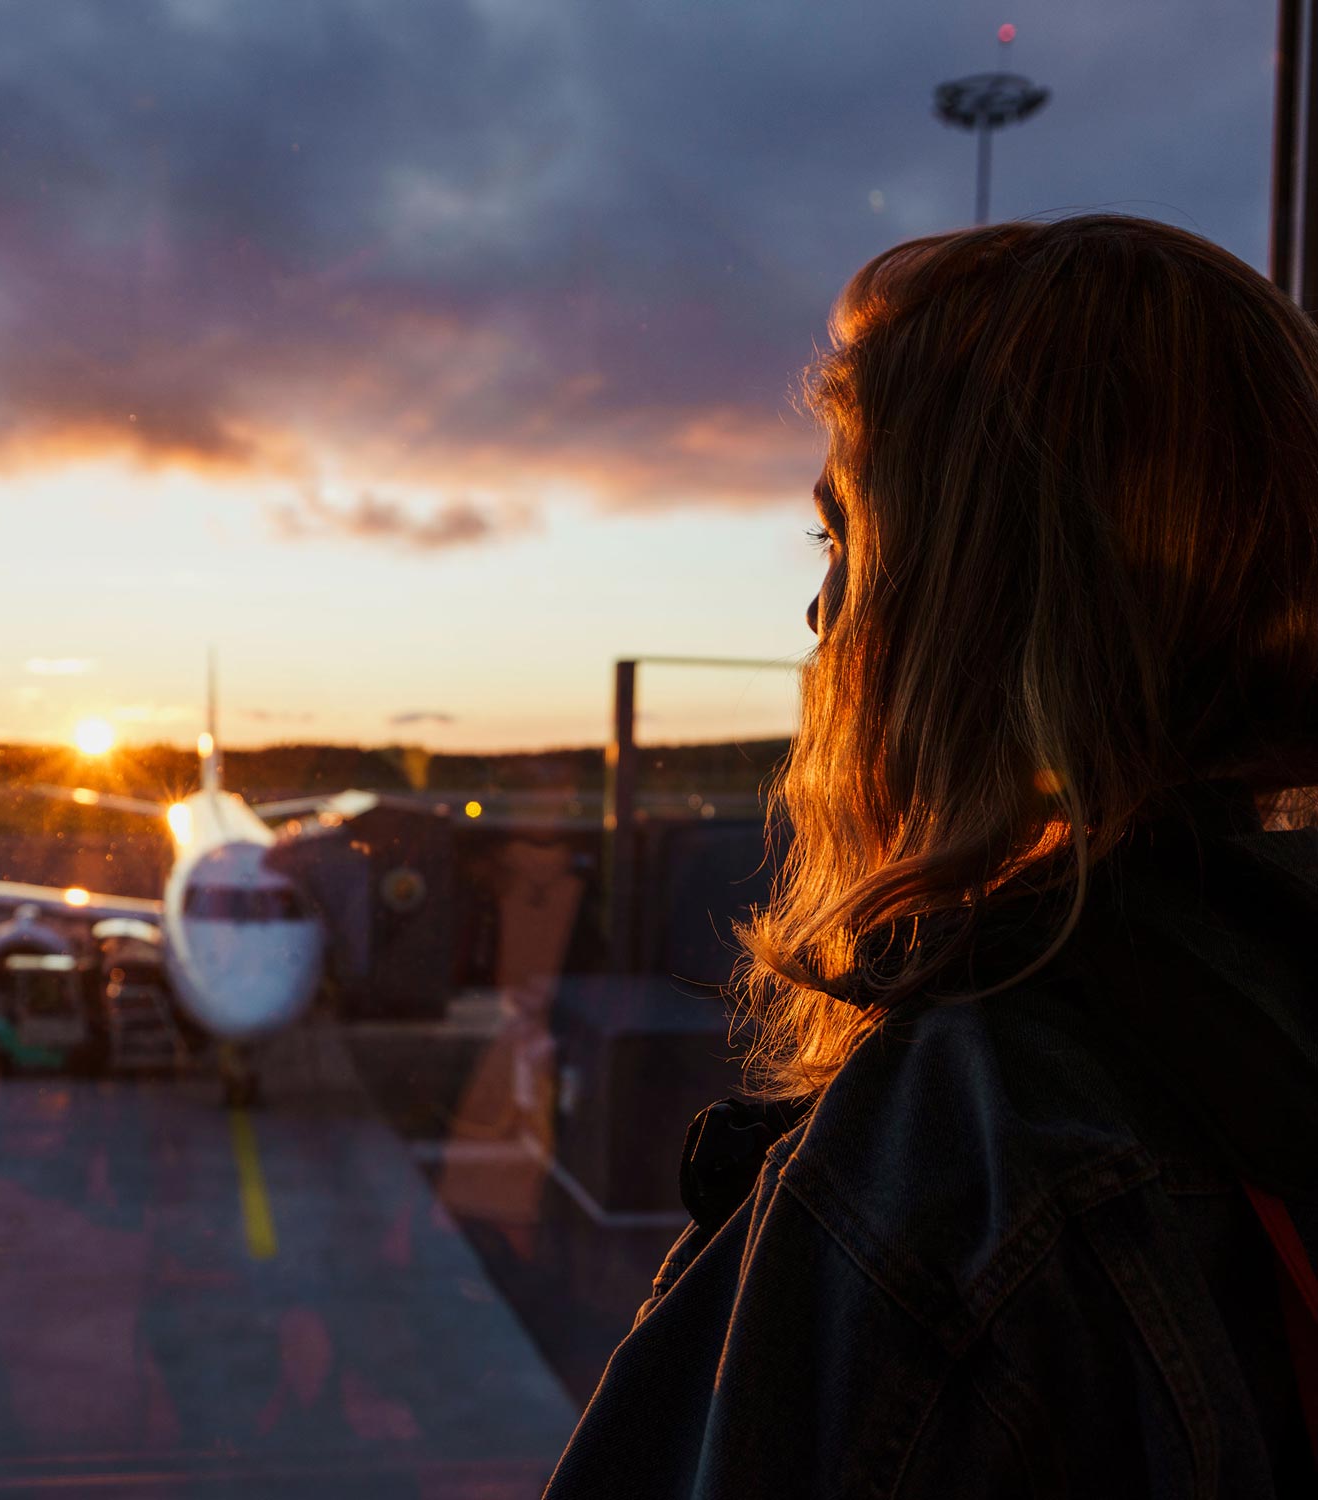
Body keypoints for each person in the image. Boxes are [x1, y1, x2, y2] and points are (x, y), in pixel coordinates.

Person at [544, 215, 1318, 1497]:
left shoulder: (965, 1150)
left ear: (976, 605)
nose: (816, 616)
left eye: (843, 539)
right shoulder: (1258, 1008)